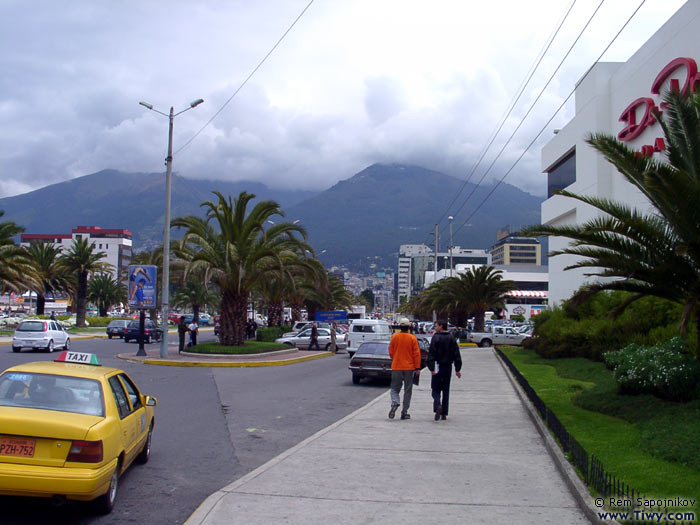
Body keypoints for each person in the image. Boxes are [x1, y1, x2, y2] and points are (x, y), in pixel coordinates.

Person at [427, 320, 462, 421]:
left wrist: (431, 368)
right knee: (446, 390)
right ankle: (444, 413)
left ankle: (438, 405)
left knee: (435, 389)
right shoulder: (451, 338)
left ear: (441, 326)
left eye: (436, 326)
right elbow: (456, 354)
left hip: (437, 367)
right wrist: (457, 369)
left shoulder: (436, 337)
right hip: (448, 367)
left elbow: (431, 354)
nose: (435, 328)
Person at [388, 317, 421, 420]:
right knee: (407, 390)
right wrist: (418, 368)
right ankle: (404, 412)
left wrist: (396, 359)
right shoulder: (412, 338)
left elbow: (391, 352)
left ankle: (395, 402)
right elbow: (416, 354)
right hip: (409, 367)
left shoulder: (394, 337)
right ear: (408, 327)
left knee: (394, 388)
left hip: (396, 366)